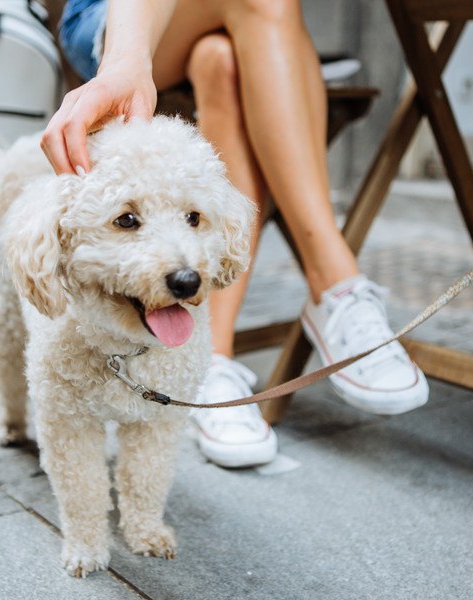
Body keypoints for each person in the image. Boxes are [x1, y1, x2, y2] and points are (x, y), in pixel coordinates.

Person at [44, 0, 429, 468]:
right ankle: (334, 282)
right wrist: (126, 63)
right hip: (116, 20)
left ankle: (212, 358)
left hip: (237, 28)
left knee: (218, 60)